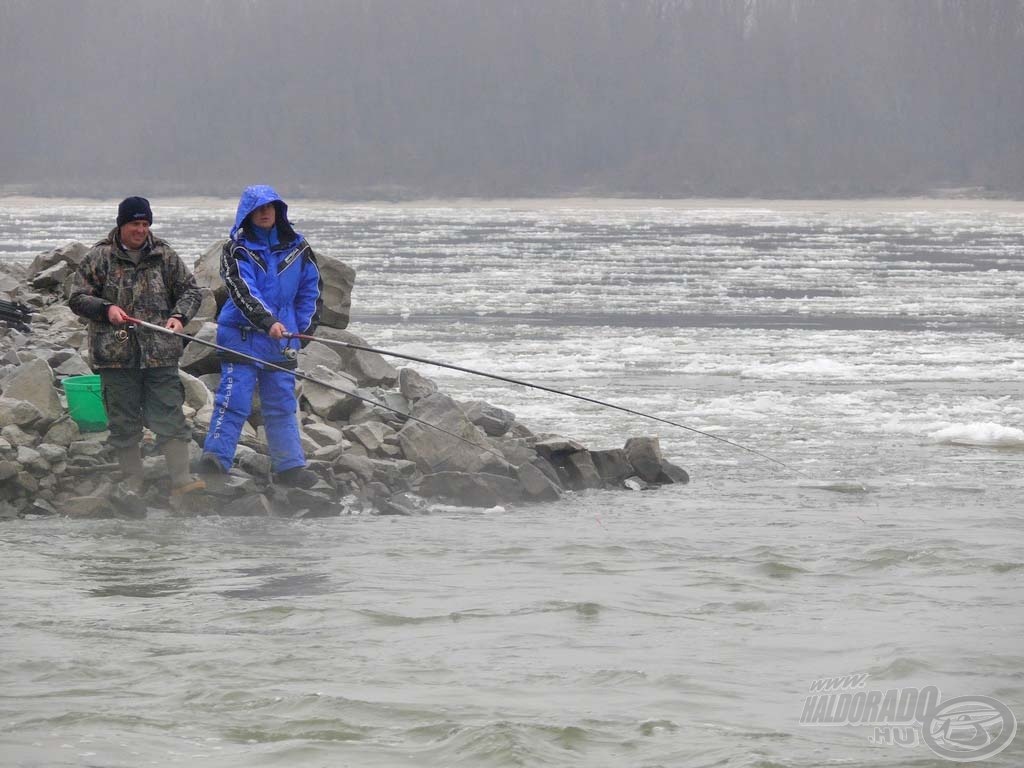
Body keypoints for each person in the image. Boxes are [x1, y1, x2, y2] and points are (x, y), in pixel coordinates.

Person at [69, 196, 205, 496]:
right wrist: (106, 310)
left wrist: (179, 317)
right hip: (115, 357)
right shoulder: (99, 257)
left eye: (145, 224)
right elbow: (77, 297)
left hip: (161, 355)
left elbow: (191, 292)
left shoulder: (165, 256)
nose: (141, 230)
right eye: (135, 224)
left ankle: (181, 481)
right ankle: (133, 481)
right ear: (122, 225)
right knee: (123, 421)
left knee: (170, 415)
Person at [200, 185, 323, 487]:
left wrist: (303, 332)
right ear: (248, 214)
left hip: (281, 341)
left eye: (271, 207)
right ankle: (215, 460)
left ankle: (290, 466)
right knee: (235, 399)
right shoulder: (237, 250)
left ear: (279, 211)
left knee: (281, 403)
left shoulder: (299, 249)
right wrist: (266, 321)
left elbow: (312, 291)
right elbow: (242, 290)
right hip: (241, 336)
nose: (265, 213)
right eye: (258, 209)